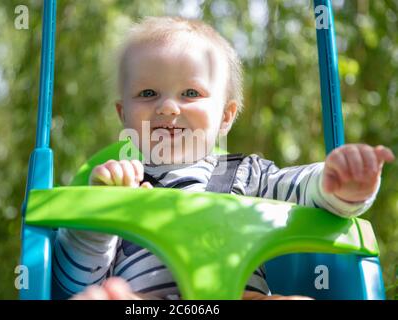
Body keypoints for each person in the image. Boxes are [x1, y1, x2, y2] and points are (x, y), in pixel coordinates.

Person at [52, 16, 395, 300]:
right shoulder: (116, 184)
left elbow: (306, 192)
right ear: (122, 113)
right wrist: (99, 215)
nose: (168, 106)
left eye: (191, 93)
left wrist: (340, 184)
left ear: (226, 116)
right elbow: (72, 280)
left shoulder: (248, 174)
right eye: (147, 93)